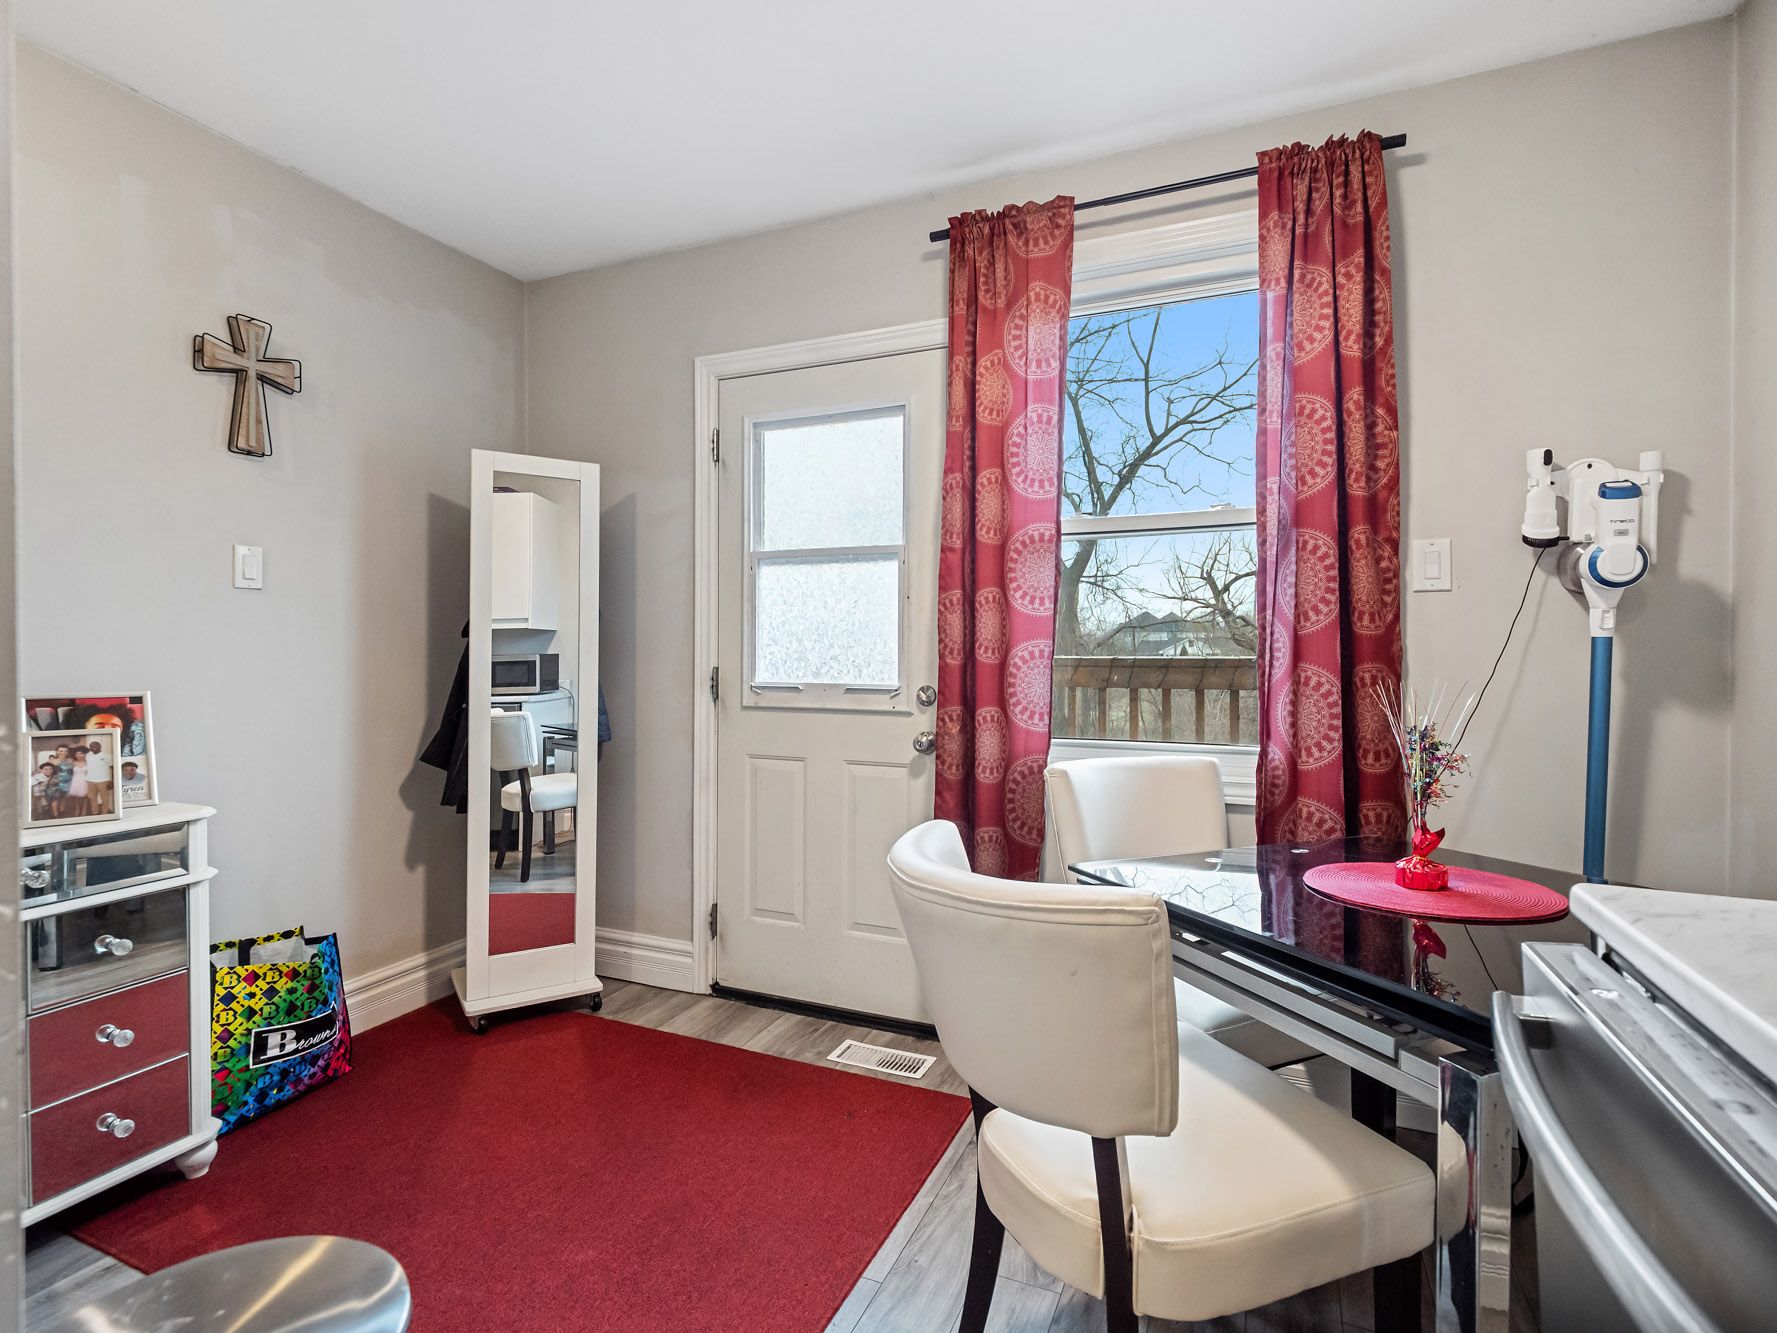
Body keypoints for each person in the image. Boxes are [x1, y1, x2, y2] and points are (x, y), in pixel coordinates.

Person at [85, 740, 114, 815]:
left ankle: (105, 812)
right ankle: (95, 812)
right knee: (92, 798)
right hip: (90, 781)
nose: (93, 748)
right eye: (91, 747)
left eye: (95, 746)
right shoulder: (88, 756)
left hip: (104, 781)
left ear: (100, 747)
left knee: (105, 798)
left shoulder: (107, 756)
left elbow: (113, 768)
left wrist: (112, 780)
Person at [68, 748, 90, 816]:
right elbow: (69, 772)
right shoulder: (73, 763)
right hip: (75, 781)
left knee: (85, 797)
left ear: (84, 754)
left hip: (85, 780)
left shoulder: (88, 762)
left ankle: (84, 809)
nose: (78, 755)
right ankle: (77, 809)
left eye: (80, 753)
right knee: (76, 797)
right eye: (77, 754)